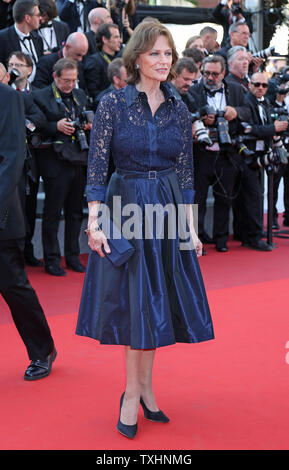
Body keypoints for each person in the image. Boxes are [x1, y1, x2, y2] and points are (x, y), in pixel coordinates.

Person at [76, 21, 214, 439]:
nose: (163, 60)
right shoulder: (113, 104)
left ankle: (146, 389)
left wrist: (191, 229)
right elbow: (98, 167)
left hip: (168, 208)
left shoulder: (178, 107)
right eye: (155, 53)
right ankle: (132, 395)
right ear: (137, 58)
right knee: (134, 304)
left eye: (168, 54)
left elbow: (187, 172)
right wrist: (95, 221)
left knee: (157, 302)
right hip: (127, 206)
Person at [0, 82, 56, 380]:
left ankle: (42, 349)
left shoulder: (7, 96)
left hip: (3, 212)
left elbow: (12, 156)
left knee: (13, 286)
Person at [33, 58, 91, 276]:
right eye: (66, 81)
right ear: (55, 77)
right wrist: (54, 126)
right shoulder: (40, 96)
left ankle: (73, 256)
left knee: (75, 212)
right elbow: (34, 126)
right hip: (54, 162)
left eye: (73, 81)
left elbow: (85, 115)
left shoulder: (80, 95)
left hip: (78, 159)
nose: (70, 85)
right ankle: (51, 259)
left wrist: (86, 124)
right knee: (52, 212)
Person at [188, 54, 250, 252]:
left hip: (227, 151)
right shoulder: (194, 91)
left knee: (225, 197)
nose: (210, 77)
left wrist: (236, 112)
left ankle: (221, 238)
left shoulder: (237, 90)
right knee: (197, 198)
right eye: (206, 73)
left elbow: (249, 111)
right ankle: (197, 238)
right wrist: (199, 119)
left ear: (223, 73)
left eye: (215, 74)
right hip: (201, 151)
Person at [6, 51, 46, 266]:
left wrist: (23, 122)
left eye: (18, 64)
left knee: (28, 206)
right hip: (7, 159)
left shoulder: (35, 94)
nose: (14, 67)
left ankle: (27, 250)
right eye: (10, 64)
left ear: (29, 70)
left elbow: (40, 119)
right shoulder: (4, 92)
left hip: (29, 160)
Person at [242, 72, 288, 245]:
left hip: (263, 154)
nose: (261, 88)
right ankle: (253, 236)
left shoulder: (266, 102)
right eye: (257, 84)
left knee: (259, 194)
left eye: (264, 85)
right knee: (254, 196)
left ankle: (254, 232)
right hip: (248, 155)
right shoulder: (246, 102)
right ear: (250, 85)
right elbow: (248, 129)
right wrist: (272, 128)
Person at [0, 0, 44, 82]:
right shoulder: (2, 38)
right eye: (38, 15)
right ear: (27, 18)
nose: (40, 18)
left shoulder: (38, 39)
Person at [84, 22, 122, 108]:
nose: (120, 40)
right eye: (116, 37)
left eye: (119, 37)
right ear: (104, 39)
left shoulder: (121, 59)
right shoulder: (94, 61)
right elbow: (93, 93)